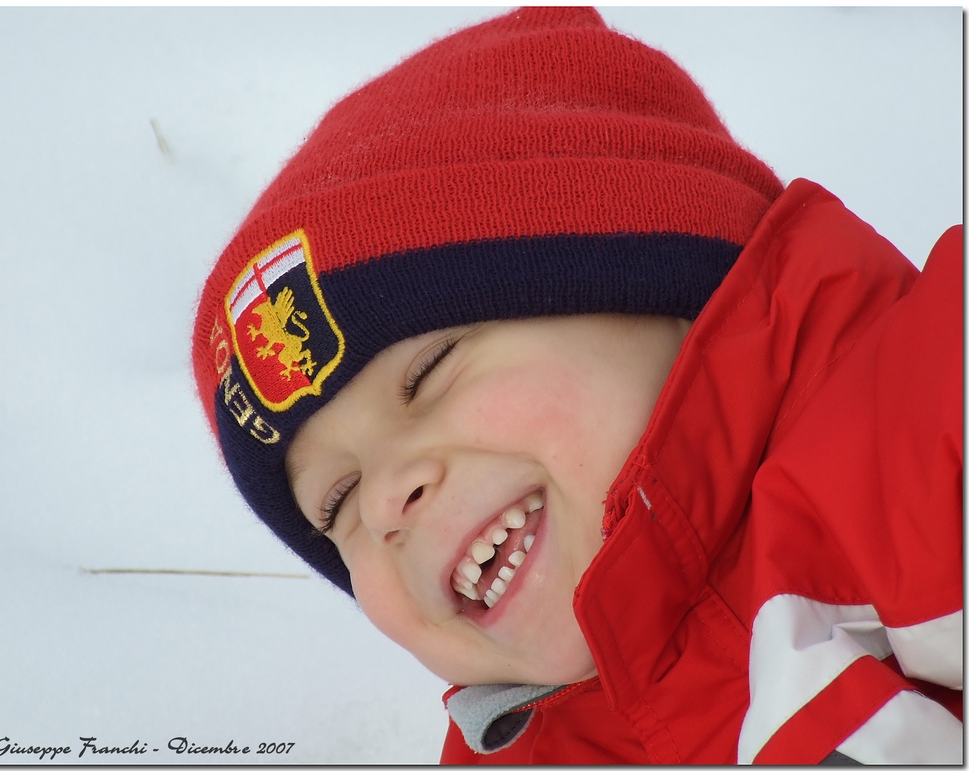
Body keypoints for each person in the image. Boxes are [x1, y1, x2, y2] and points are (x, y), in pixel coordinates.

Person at [191, 7, 962, 764]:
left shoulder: (928, 432)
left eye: (428, 372)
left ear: (652, 280)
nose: (386, 498)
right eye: (337, 503)